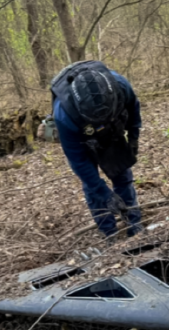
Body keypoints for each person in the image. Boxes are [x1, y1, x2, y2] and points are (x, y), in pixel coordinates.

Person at [50, 60, 143, 241]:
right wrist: (105, 194)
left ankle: (134, 223)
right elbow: (79, 161)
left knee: (122, 174)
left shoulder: (120, 86)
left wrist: (133, 137)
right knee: (93, 188)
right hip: (84, 137)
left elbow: (134, 108)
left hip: (113, 129)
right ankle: (110, 234)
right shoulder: (64, 115)